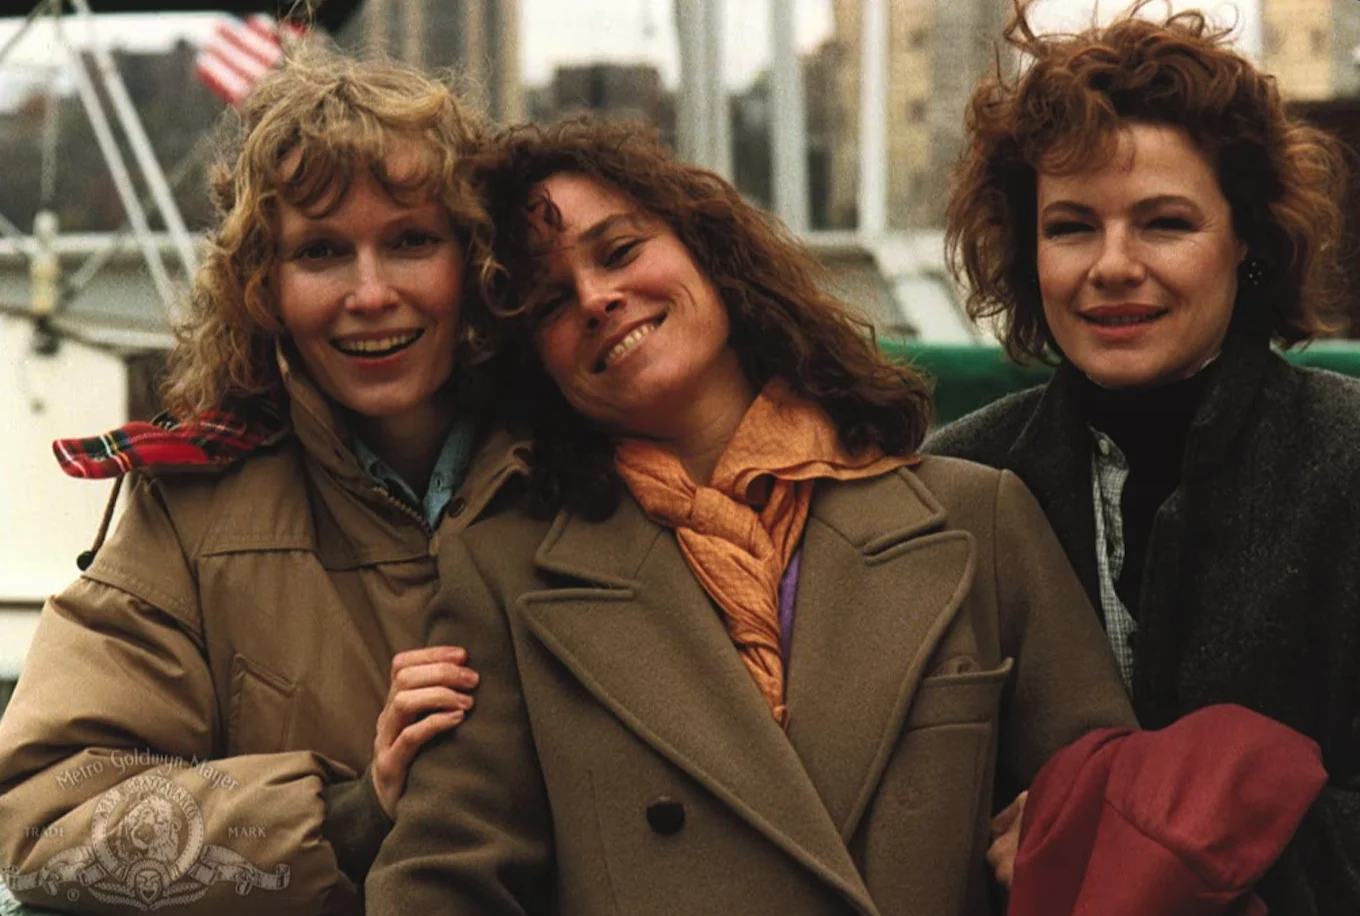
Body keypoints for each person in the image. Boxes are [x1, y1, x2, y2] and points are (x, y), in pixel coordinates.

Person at [363, 117, 1135, 916]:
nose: (597, 298)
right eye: (552, 301)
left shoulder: (977, 519)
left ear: (709, 251)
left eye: (621, 251)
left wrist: (1069, 826)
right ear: (537, 361)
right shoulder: (504, 572)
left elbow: (1121, 817)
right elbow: (442, 882)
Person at [0, 48, 528, 915]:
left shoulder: (587, 473)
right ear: (264, 287)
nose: (370, 293)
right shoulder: (190, 514)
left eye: (410, 241)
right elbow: (46, 821)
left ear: (475, 259)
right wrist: (351, 816)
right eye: (322, 251)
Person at [925, 3, 1360, 911]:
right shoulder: (951, 488)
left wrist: (1124, 837)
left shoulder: (1348, 462)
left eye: (1163, 223)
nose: (1112, 266)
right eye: (1072, 226)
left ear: (1246, 244)